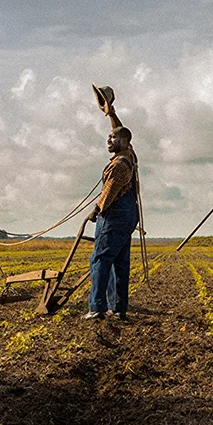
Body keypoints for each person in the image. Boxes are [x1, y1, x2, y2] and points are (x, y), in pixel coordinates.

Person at [83, 89, 139, 321]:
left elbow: (108, 194)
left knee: (100, 259)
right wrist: (110, 114)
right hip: (128, 215)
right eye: (109, 137)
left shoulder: (118, 165)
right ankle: (118, 308)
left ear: (124, 142)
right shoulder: (130, 155)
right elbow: (120, 131)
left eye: (113, 139)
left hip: (114, 214)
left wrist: (95, 212)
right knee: (120, 261)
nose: (109, 139)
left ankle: (96, 307)